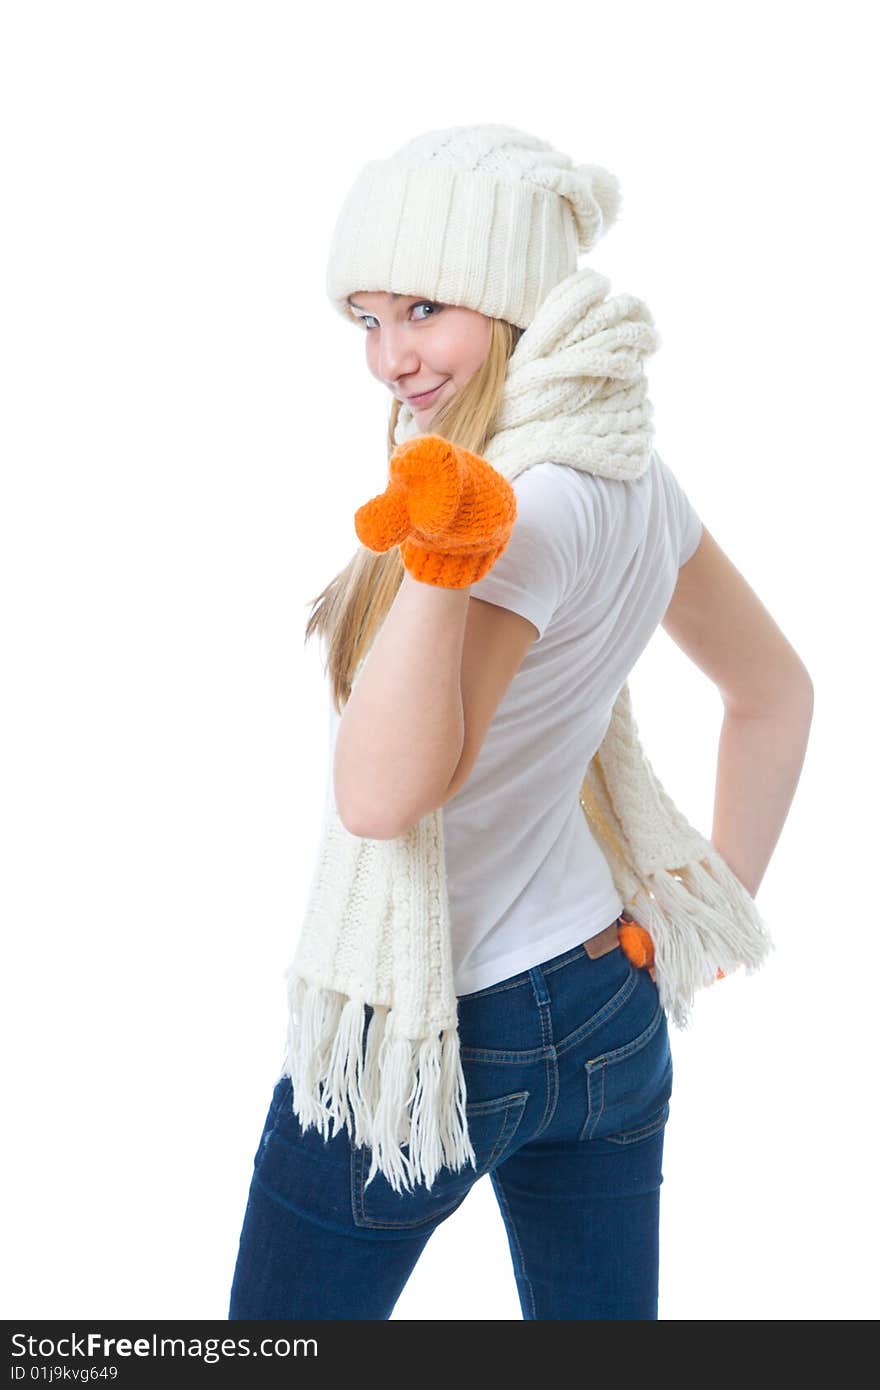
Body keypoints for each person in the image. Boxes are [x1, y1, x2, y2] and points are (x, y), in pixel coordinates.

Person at [227, 125, 813, 1321]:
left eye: (425, 308)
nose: (391, 357)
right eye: (367, 319)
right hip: (603, 1000)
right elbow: (774, 693)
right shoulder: (628, 470)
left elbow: (383, 797)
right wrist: (687, 929)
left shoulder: (518, 508)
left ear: (508, 303)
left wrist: (443, 563)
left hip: (435, 1029)